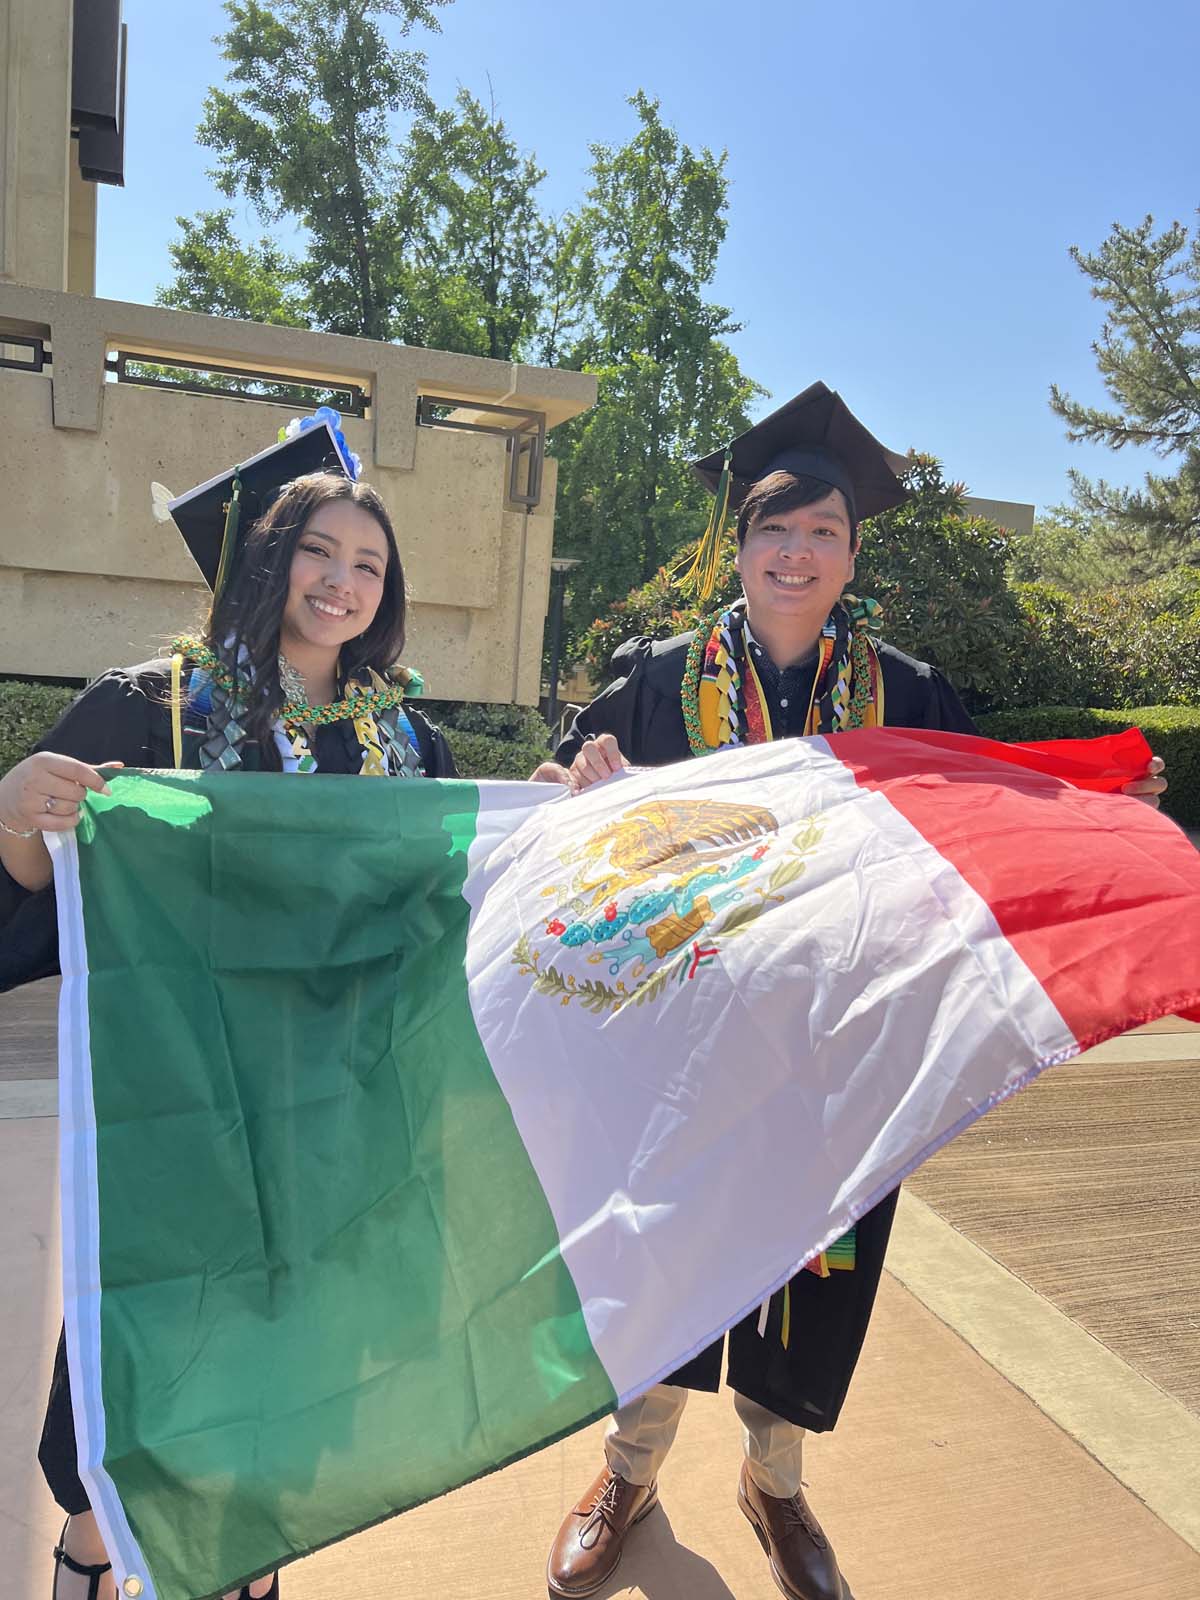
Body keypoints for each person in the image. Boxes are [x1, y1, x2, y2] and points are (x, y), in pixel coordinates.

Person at [532, 382, 1166, 1600]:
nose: (797, 551)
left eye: (824, 531)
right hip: (681, 1050)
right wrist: (576, 775)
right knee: (669, 1269)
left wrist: (1100, 820)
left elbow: (1000, 808)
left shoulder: (909, 693)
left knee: (813, 1282)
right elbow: (557, 819)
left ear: (852, 551)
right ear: (743, 540)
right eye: (777, 527)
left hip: (840, 1055)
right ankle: (628, 1473)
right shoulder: (656, 680)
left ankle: (775, 1485)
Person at [0, 414, 456, 1600]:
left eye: (369, 563)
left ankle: (243, 1564)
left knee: (283, 1365)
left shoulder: (405, 742)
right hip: (180, 1106)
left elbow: (451, 898)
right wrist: (12, 821)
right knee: (148, 1349)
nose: (344, 580)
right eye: (320, 550)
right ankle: (91, 1556)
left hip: (329, 1116)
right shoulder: (147, 715)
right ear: (264, 559)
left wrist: (558, 810)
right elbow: (37, 903)